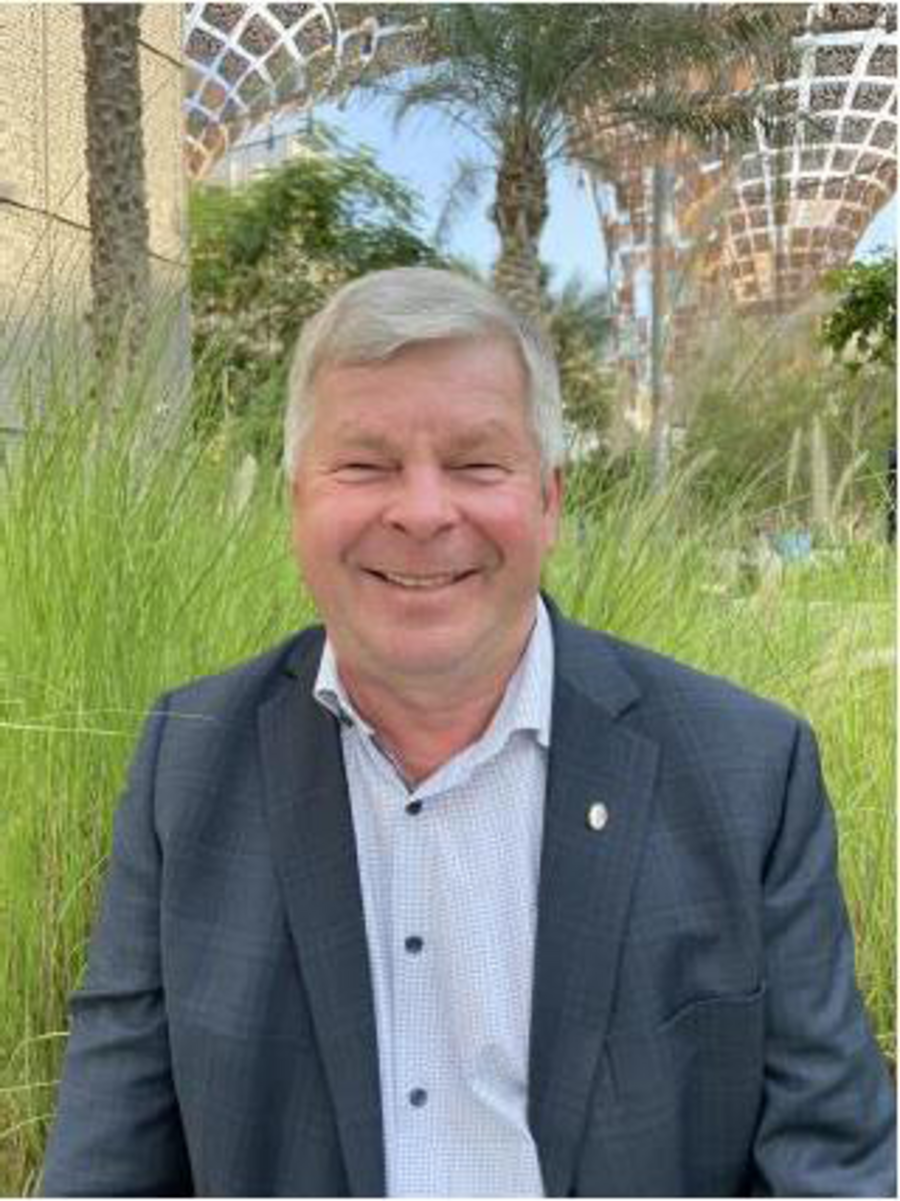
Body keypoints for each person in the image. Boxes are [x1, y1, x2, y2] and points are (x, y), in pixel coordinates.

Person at [42, 268, 894, 1197]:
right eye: (364, 465)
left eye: (477, 465)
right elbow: (108, 1163)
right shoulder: (189, 763)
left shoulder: (746, 774)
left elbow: (834, 1163)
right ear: (296, 502)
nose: (421, 510)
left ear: (549, 500)